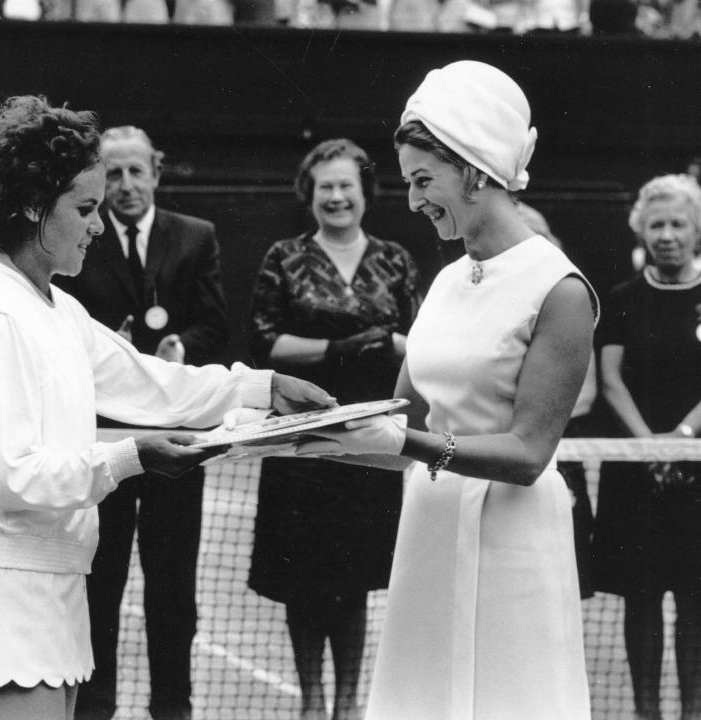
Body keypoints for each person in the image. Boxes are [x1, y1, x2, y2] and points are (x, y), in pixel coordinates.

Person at [0, 94, 334, 720]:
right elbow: (14, 479)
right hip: (3, 597)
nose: (95, 224)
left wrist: (261, 386)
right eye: (84, 208)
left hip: (56, 589)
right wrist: (128, 457)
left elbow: (153, 384)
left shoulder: (58, 310)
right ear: (33, 207)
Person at [295, 60, 598, 718]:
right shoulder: (449, 280)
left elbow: (527, 452)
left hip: (514, 540)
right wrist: (301, 437)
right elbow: (400, 421)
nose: (412, 200)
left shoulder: (561, 289)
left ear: (474, 169)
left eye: (423, 180)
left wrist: (405, 439)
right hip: (429, 526)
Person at [54, 125, 228, 720]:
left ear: (156, 170)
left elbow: (215, 326)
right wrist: (115, 355)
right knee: (101, 584)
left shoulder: (196, 237)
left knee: (173, 589)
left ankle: (171, 708)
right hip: (106, 442)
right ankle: (95, 708)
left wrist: (181, 345)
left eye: (136, 171)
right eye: (114, 173)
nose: (126, 186)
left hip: (180, 440)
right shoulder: (85, 237)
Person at [246, 138, 420, 720]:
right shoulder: (283, 255)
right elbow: (265, 340)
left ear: (365, 192)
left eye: (348, 185)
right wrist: (336, 347)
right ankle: (311, 703)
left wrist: (389, 341)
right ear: (309, 194)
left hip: (372, 440)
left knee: (355, 577)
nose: (338, 196)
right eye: (326, 187)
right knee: (306, 579)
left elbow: (420, 344)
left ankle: (348, 706)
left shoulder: (394, 259)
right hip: (303, 436)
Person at [591, 173, 701, 720]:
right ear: (642, 229)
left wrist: (682, 440)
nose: (667, 235)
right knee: (642, 601)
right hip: (636, 473)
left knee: (696, 601)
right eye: (656, 224)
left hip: (694, 470)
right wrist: (649, 449)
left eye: (678, 223)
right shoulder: (622, 298)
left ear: (696, 231)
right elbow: (610, 379)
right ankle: (646, 713)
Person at [516, 200, 597, 599]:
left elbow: (587, 394)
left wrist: (536, 419)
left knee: (565, 580)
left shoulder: (568, 300)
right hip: (506, 459)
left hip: (562, 453)